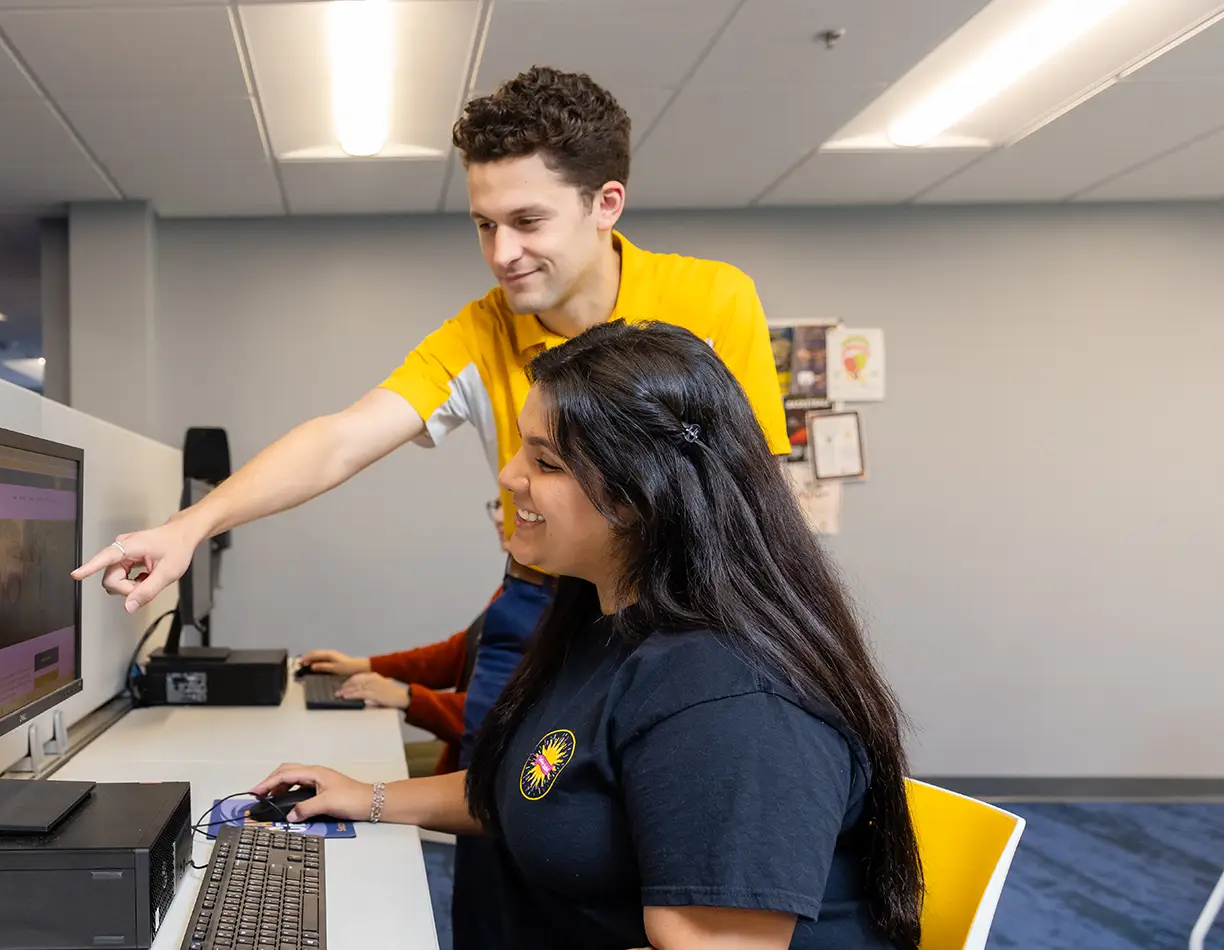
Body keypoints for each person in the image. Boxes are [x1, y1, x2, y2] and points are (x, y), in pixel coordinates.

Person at [74, 66, 792, 950]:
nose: (502, 253)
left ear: (607, 203)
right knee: (512, 833)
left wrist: (748, 641)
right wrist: (192, 525)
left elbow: (758, 495)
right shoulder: (487, 326)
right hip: (550, 596)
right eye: (485, 225)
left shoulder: (711, 301)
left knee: (656, 851)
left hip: (688, 601)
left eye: (528, 222)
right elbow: (343, 437)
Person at [251, 322, 924, 950]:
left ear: (640, 496)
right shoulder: (605, 627)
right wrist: (363, 796)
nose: (510, 476)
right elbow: (539, 783)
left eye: (544, 462)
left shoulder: (731, 698)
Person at [299, 497, 509, 777]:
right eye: (498, 503)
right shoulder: (518, 587)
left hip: (480, 779)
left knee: (357, 776)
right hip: (460, 760)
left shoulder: (545, 604)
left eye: (510, 503)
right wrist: (363, 665)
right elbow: (460, 651)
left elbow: (499, 718)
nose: (498, 516)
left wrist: (407, 698)